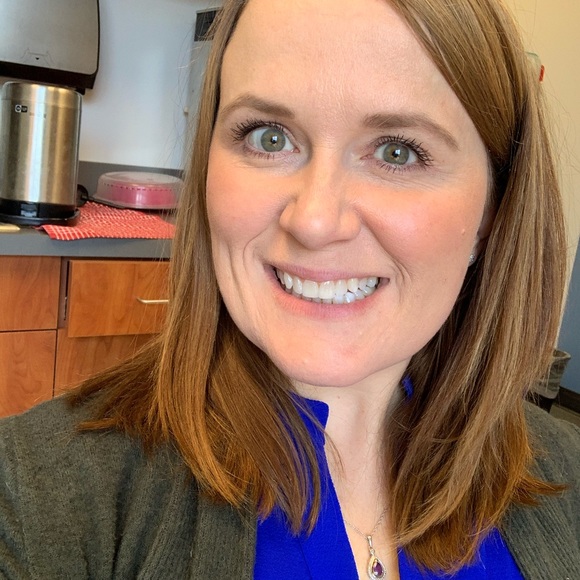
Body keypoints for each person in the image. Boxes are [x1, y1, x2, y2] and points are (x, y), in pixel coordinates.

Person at [1, 0, 579, 578]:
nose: (315, 222)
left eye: (397, 151)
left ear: (492, 213)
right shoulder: (38, 491)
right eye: (269, 138)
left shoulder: (567, 477)